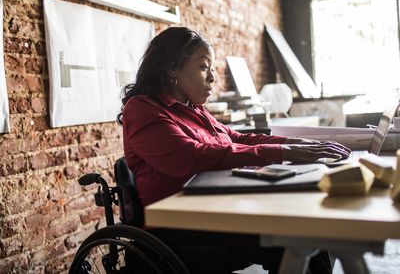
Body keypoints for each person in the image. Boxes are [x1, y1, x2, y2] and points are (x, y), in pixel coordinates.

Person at [121, 27, 350, 274]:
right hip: (177, 226)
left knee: (306, 229)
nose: (212, 77)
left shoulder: (193, 109)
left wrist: (293, 144)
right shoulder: (142, 109)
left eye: (211, 68)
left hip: (214, 207)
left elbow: (235, 138)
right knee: (294, 239)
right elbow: (191, 157)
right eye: (203, 67)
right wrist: (283, 152)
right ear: (172, 69)